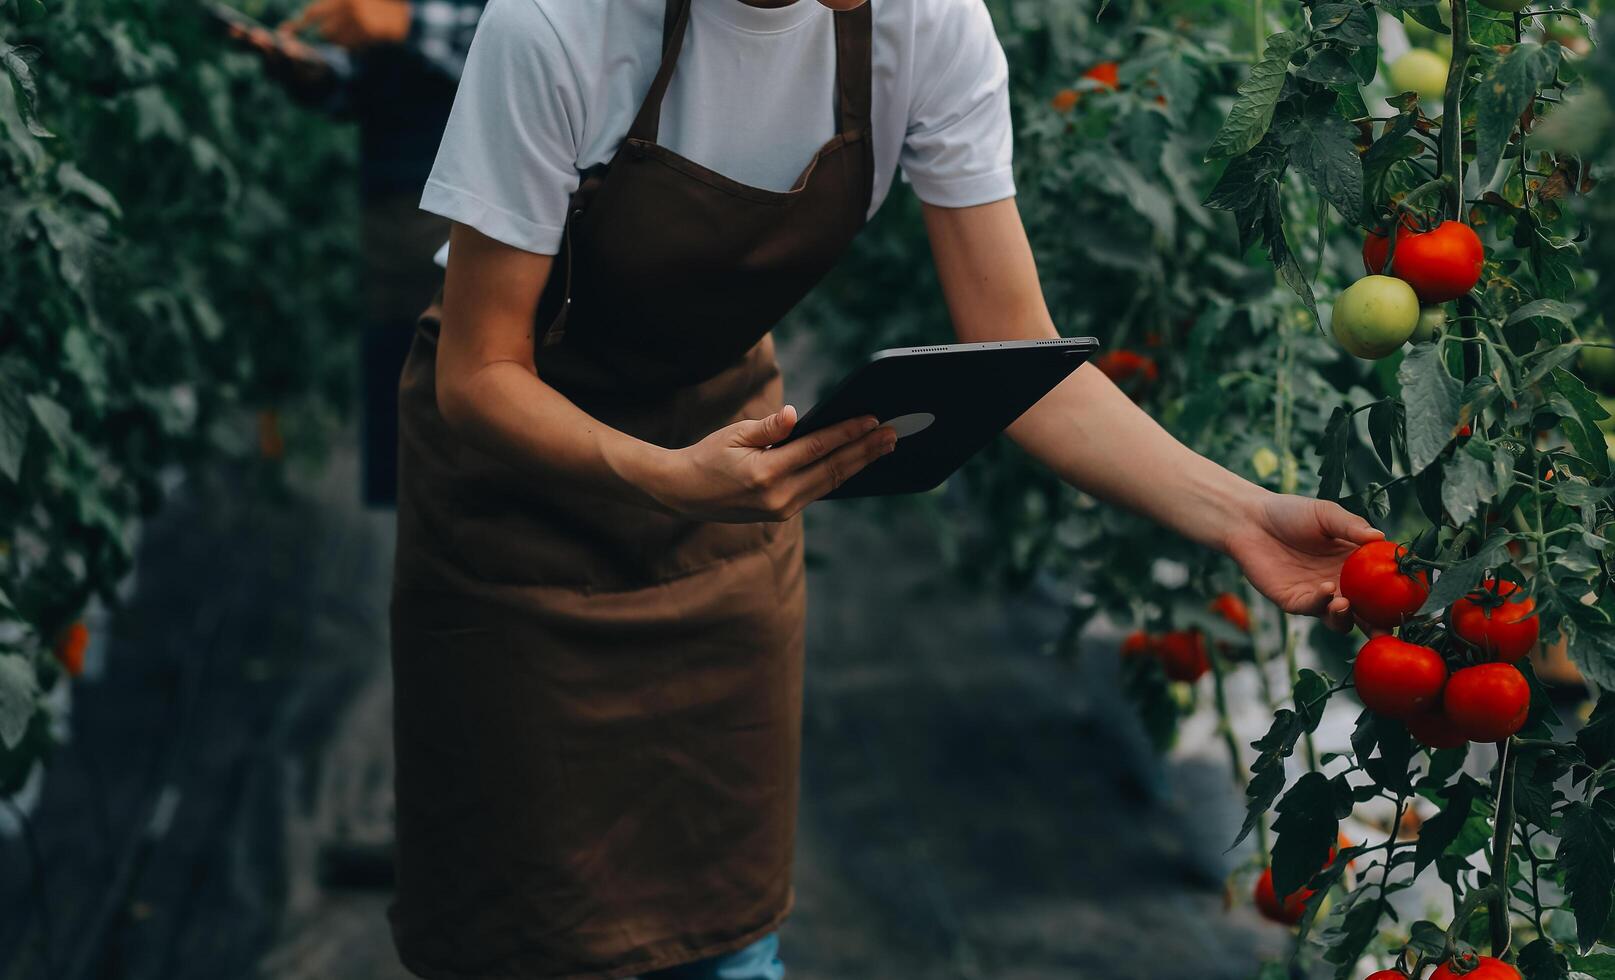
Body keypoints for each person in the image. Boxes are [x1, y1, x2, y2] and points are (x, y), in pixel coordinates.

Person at [388, 0, 1383, 977]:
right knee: (519, 923)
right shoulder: (559, 26)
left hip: (727, 479)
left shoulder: (928, 28)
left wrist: (1241, 514)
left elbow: (1017, 357)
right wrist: (662, 476)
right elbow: (479, 374)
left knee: (719, 925)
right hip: (520, 507)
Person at [273, 0, 489, 506]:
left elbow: (560, 35)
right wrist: (321, 74)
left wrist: (408, 23)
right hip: (394, 208)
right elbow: (380, 78)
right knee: (413, 442)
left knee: (475, 429)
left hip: (473, 204)